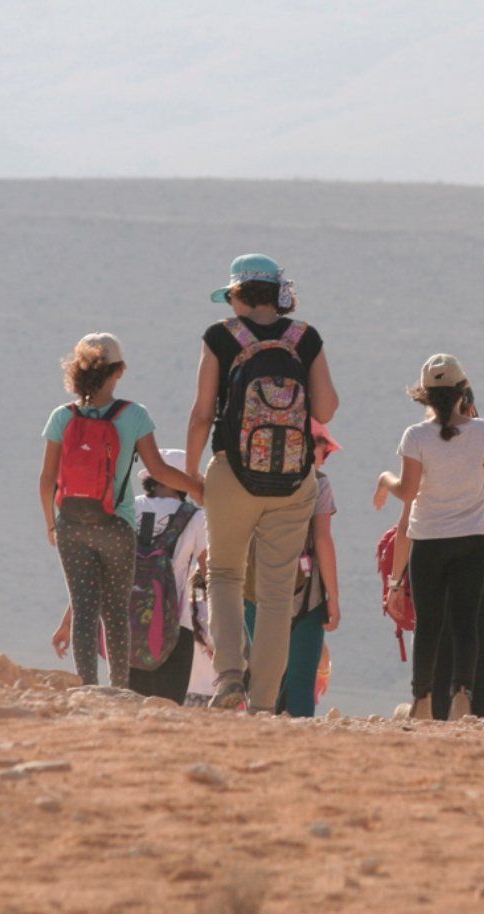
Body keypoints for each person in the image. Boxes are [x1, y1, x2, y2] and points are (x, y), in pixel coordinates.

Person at [186, 254, 338, 713]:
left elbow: (201, 412)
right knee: (275, 593)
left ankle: (230, 676)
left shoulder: (220, 336)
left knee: (226, 575)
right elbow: (327, 409)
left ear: (237, 294)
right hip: (293, 481)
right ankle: (265, 703)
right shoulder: (304, 337)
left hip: (232, 472)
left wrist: (193, 474)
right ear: (278, 293)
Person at [40, 333, 202, 687]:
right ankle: (118, 686)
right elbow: (158, 470)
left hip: (71, 523)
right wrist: (198, 489)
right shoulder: (134, 415)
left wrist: (51, 526)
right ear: (119, 371)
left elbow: (46, 479)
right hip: (116, 524)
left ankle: (86, 686)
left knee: (85, 609)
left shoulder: (61, 417)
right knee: (115, 610)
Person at [385, 384, 484, 719]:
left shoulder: (425, 447)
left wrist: (396, 581)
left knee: (436, 649)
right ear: (468, 406)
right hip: (483, 570)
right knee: (480, 661)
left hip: (432, 559)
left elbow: (406, 525)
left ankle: (434, 725)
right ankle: (476, 729)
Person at [375, 354, 484, 721]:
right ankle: (462, 696)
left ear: (423, 396)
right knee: (466, 621)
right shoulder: (483, 431)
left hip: (428, 541)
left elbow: (406, 491)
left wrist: (384, 480)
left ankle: (421, 700)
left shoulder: (415, 436)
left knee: (430, 623)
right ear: (462, 391)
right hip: (472, 541)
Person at [50, 449, 208, 703]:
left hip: (123, 624)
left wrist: (68, 622)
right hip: (177, 631)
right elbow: (210, 577)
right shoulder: (196, 518)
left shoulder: (124, 509)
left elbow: (97, 571)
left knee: (129, 703)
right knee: (167, 709)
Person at [244, 421, 342, 717]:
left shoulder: (254, 479)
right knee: (300, 680)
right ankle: (300, 749)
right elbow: (323, 540)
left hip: (254, 589)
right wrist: (333, 600)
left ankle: (261, 736)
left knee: (265, 676)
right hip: (306, 596)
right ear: (314, 449)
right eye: (325, 451)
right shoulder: (320, 484)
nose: (326, 458)